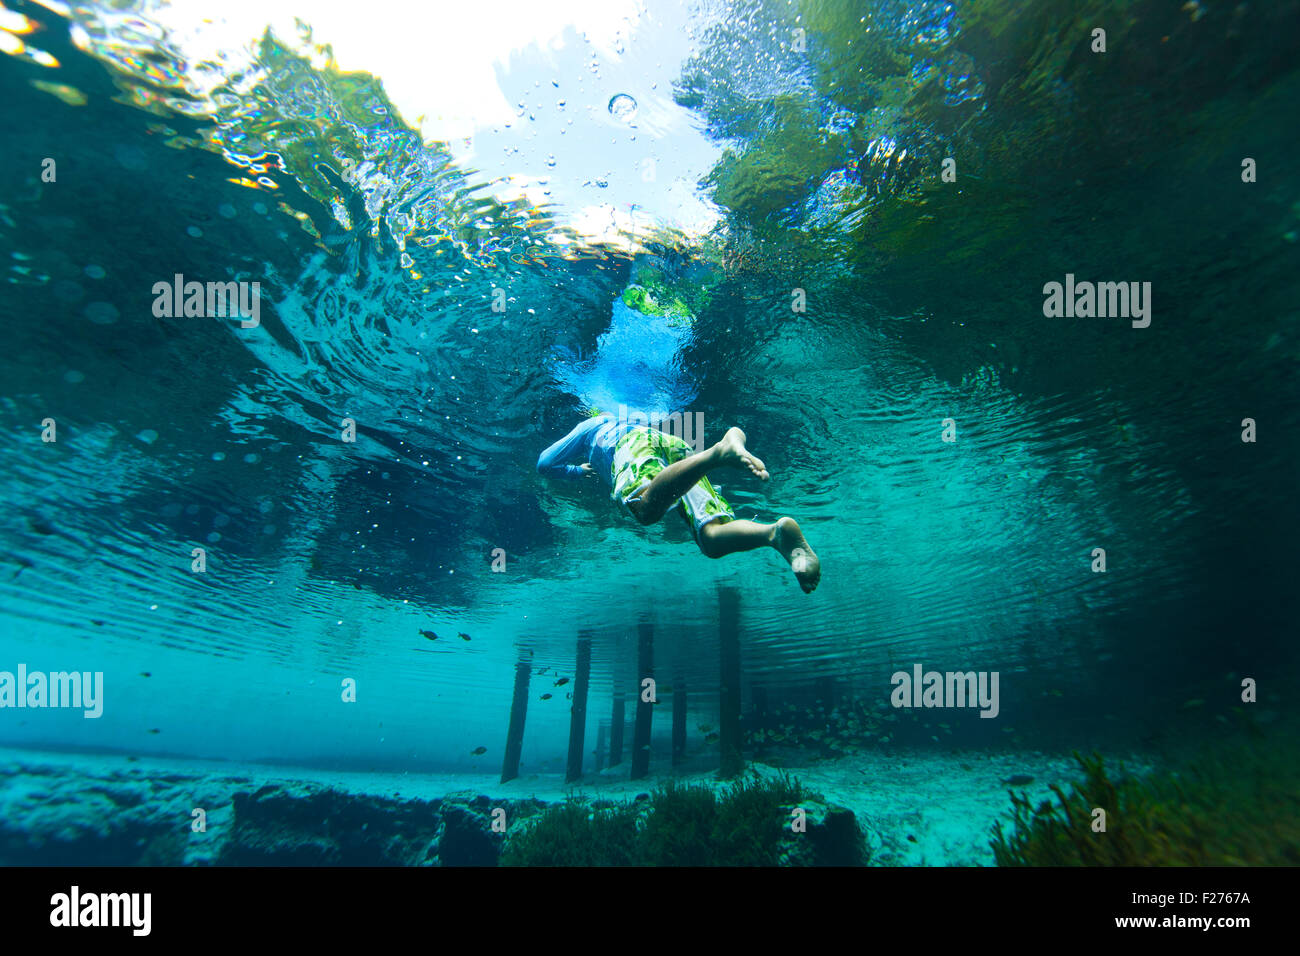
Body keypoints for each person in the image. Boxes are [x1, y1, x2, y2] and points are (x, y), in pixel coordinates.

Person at [537, 412, 820, 593]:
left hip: (629, 446)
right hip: (672, 444)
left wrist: (575, 472)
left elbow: (544, 463)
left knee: (646, 510)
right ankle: (774, 534)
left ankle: (718, 452)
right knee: (710, 538)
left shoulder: (594, 424)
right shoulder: (637, 416)